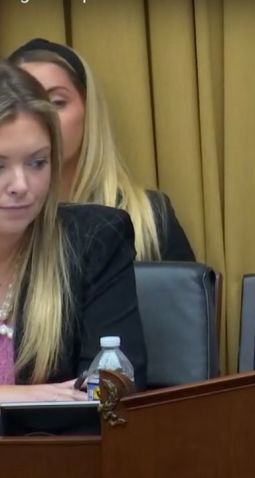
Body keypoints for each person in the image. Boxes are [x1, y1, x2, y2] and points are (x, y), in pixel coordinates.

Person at [0, 60, 147, 401]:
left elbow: (109, 394)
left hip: (53, 451)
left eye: (37, 162)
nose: (21, 185)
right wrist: (17, 396)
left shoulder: (93, 241)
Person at [9, 38, 195, 262]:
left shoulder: (149, 219)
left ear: (89, 111)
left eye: (57, 102)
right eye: (28, 105)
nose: (44, 119)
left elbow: (187, 295)